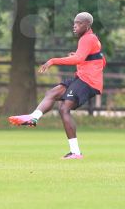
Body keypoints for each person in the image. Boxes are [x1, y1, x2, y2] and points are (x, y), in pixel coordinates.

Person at [8, 12, 105, 159]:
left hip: (87, 81)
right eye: (74, 23)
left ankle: (76, 153)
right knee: (52, 93)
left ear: (87, 25)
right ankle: (33, 118)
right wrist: (81, 59)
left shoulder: (87, 39)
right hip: (82, 77)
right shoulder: (91, 39)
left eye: (78, 23)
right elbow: (101, 59)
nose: (75, 26)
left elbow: (80, 59)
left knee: (64, 108)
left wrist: (53, 60)